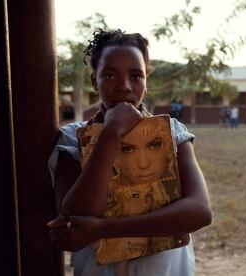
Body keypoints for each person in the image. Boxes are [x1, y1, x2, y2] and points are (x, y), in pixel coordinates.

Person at [47, 29, 212, 276]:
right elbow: (73, 217)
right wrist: (112, 133)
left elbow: (199, 212)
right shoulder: (72, 139)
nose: (124, 86)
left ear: (146, 82)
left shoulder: (172, 133)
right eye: (110, 75)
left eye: (136, 76)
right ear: (94, 81)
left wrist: (103, 229)